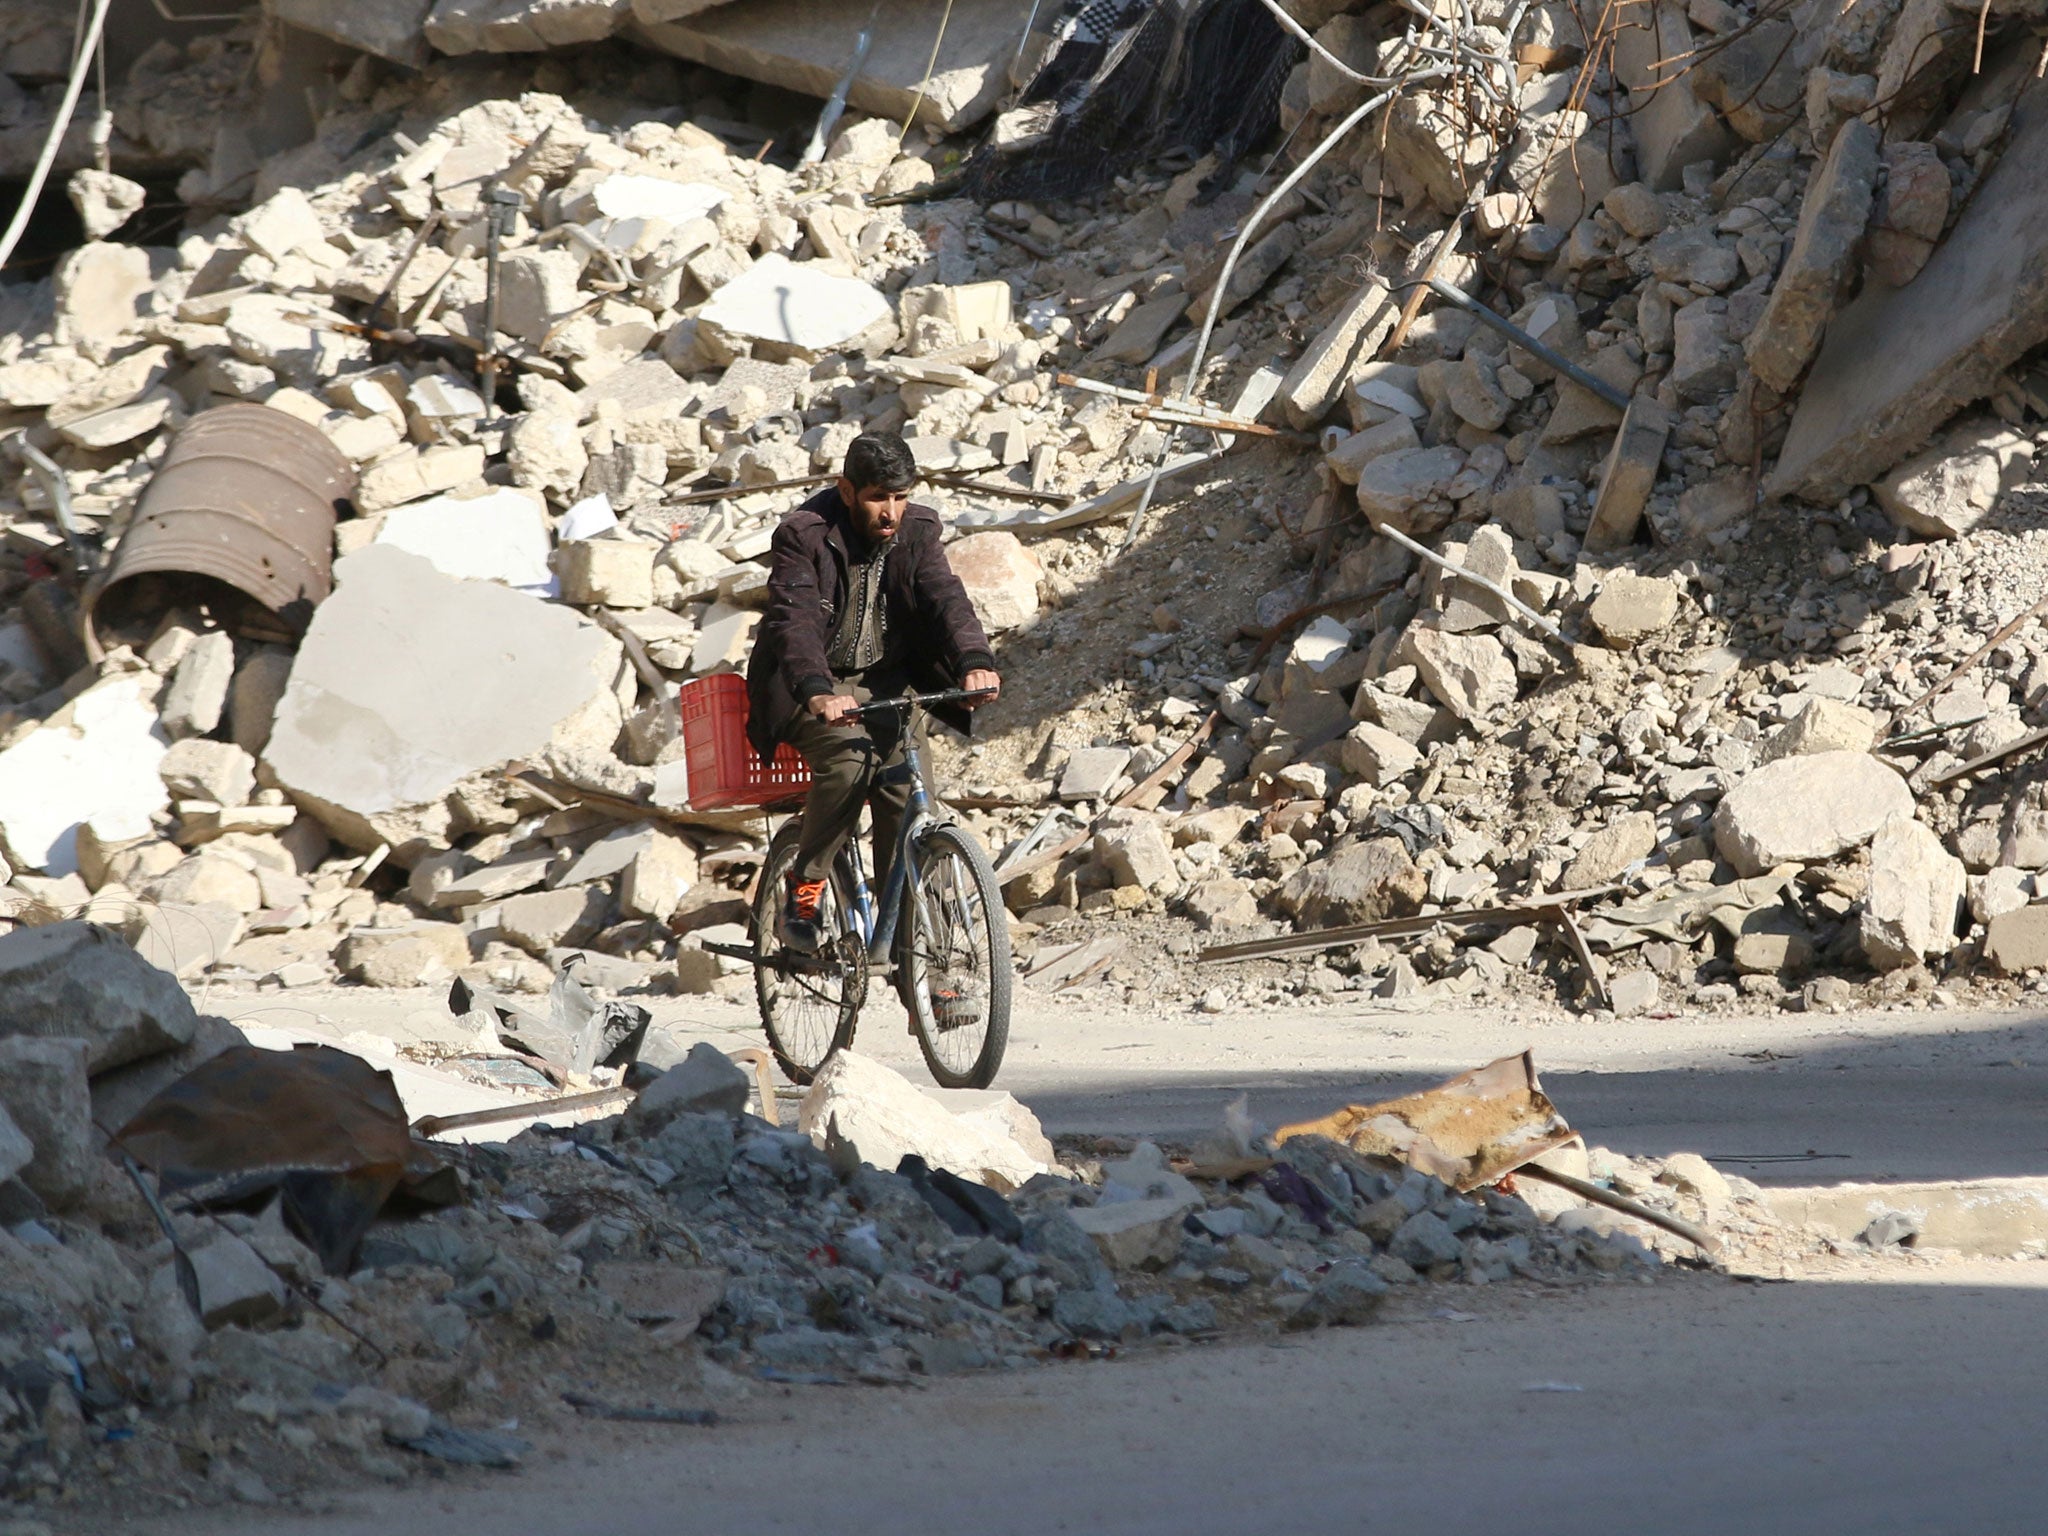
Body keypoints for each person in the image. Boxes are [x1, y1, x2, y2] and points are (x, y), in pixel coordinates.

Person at [745, 430, 1001, 950]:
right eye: (878, 497)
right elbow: (793, 622)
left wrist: (973, 662)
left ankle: (927, 976)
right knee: (848, 761)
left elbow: (945, 599)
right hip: (806, 688)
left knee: (908, 801)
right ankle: (806, 884)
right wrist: (817, 691)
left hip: (888, 685)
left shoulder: (920, 529)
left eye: (900, 497)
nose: (891, 512)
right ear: (846, 490)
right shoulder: (804, 534)